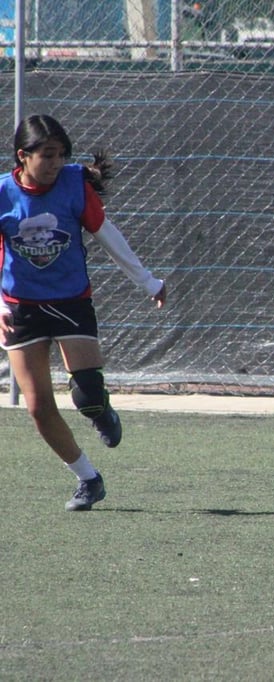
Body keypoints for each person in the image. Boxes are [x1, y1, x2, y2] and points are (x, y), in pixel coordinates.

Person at [0, 114, 167, 511]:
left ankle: (101, 412)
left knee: (88, 394)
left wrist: (148, 281)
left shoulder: (74, 185)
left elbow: (107, 234)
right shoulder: (3, 194)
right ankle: (88, 479)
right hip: (19, 307)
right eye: (48, 155)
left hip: (71, 301)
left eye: (61, 155)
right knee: (39, 407)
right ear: (23, 156)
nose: (56, 163)